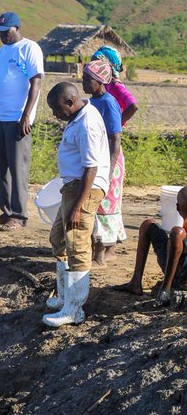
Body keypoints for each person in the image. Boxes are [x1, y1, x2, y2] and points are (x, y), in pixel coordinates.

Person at [42, 82, 111, 327]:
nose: (55, 115)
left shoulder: (87, 124)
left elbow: (91, 168)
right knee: (58, 237)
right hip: (73, 187)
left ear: (70, 102)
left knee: (77, 244)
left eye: (57, 109)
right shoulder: (77, 117)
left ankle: (74, 309)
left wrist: (77, 207)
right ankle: (64, 298)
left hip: (85, 189)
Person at [0, 12, 45, 230]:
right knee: (2, 167)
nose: (3, 36)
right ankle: (6, 211)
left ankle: (20, 215)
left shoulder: (29, 48)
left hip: (16, 118)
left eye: (6, 32)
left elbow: (36, 83)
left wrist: (26, 115)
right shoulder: (3, 52)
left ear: (17, 28)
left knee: (18, 168)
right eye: (0, 32)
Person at [82, 59, 126, 266]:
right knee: (96, 203)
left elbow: (115, 138)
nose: (83, 81)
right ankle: (98, 246)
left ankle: (109, 249)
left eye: (87, 79)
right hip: (98, 157)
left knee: (107, 205)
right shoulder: (92, 101)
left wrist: (109, 169)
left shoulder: (108, 103)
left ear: (100, 82)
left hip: (110, 159)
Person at [114, 187, 187, 306]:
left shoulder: (179, 234)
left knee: (176, 233)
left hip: (182, 278)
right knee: (148, 225)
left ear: (177, 207)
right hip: (175, 265)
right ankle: (135, 282)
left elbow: (177, 235)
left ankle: (166, 289)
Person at [91, 46, 140, 127]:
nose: (93, 68)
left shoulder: (115, 86)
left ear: (108, 66)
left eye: (96, 65)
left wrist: (115, 125)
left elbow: (133, 106)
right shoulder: (104, 84)